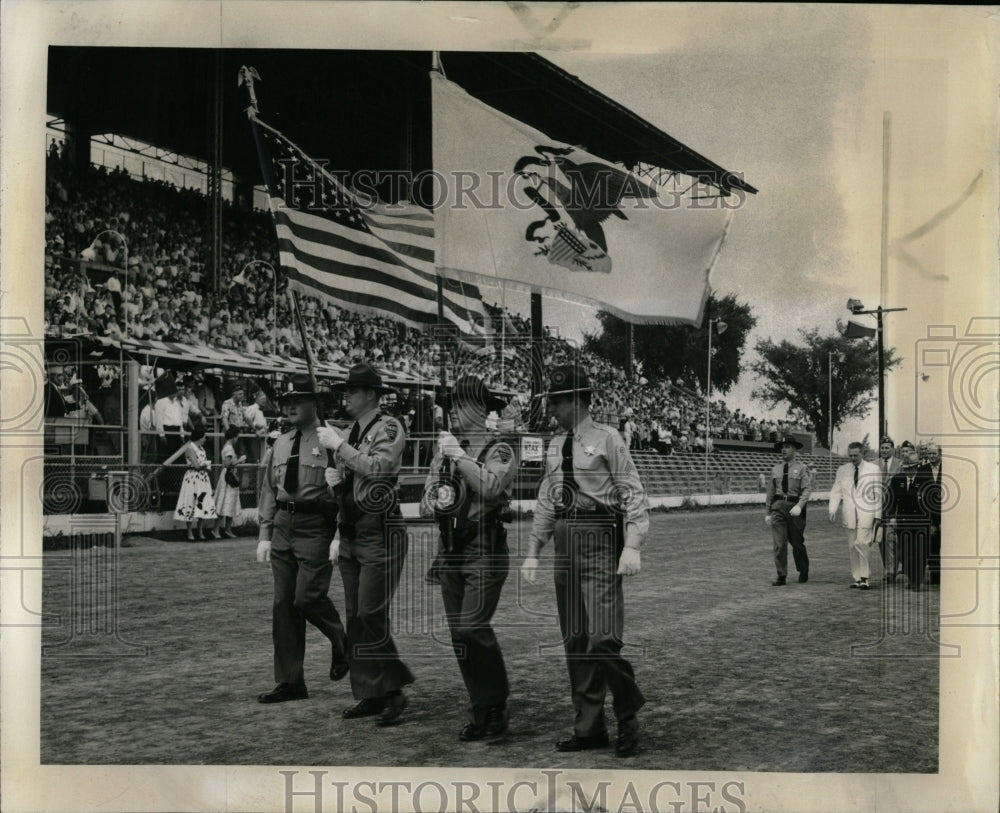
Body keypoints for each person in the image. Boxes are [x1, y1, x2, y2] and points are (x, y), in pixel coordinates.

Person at [522, 364, 648, 758]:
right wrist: (533, 551)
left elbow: (633, 492)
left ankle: (627, 714)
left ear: (577, 400)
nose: (553, 409)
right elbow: (547, 500)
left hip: (600, 537)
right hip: (565, 539)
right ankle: (589, 726)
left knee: (603, 639)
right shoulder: (556, 445)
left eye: (558, 401)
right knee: (575, 639)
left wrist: (633, 544)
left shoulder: (608, 439)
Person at [419, 375, 516, 741]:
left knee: (473, 626)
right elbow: (429, 492)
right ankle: (482, 708)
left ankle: (495, 703)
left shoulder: (499, 448)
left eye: (462, 404)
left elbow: (491, 486)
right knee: (460, 634)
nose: (454, 411)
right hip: (450, 548)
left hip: (483, 547)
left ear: (480, 408)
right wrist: (434, 499)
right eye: (452, 403)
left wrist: (459, 458)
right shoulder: (445, 446)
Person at [317, 363, 413, 726]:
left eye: (352, 391)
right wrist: (336, 478)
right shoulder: (352, 432)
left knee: (370, 613)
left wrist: (340, 448)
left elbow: (379, 467)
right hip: (353, 530)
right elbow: (352, 481)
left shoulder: (388, 427)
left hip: (380, 530)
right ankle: (370, 692)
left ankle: (393, 689)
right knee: (357, 617)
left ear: (370, 394)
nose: (346, 397)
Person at [256, 376, 349, 704]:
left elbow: (345, 491)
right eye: (286, 401)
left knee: (307, 597)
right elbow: (269, 487)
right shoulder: (280, 442)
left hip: (315, 524)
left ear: (315, 403)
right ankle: (290, 681)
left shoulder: (333, 439)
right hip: (283, 523)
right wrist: (264, 534)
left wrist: (340, 532)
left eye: (298, 399)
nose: (290, 406)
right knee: (283, 605)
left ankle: (341, 640)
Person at [828, 441, 882, 590]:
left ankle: (865, 577)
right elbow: (836, 491)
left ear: (863, 453)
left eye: (856, 455)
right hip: (849, 512)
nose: (852, 458)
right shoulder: (842, 470)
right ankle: (857, 578)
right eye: (850, 455)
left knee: (863, 544)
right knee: (852, 546)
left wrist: (878, 516)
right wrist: (832, 509)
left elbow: (878, 494)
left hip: (867, 512)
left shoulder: (873, 469)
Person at [765, 435, 813, 586]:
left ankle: (803, 569)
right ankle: (781, 575)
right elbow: (770, 492)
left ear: (795, 450)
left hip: (794, 508)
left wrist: (800, 505)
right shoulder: (776, 469)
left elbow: (806, 489)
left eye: (787, 447)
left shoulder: (802, 468)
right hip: (778, 507)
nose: (784, 450)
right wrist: (767, 512)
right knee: (779, 544)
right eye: (782, 447)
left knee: (797, 543)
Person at [887, 449, 931, 591]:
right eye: (905, 468)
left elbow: (932, 504)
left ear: (916, 466)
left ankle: (916, 581)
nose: (908, 471)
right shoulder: (897, 479)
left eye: (911, 468)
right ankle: (911, 577)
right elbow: (891, 501)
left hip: (920, 522)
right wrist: (892, 517)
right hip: (903, 521)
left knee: (919, 551)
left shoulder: (926, 480)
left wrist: (933, 523)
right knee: (906, 552)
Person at [173, 426, 218, 540]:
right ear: (199, 437)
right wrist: (204, 465)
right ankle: (189, 532)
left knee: (202, 502)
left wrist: (206, 467)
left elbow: (203, 465)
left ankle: (200, 531)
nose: (204, 439)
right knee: (190, 502)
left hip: (202, 478)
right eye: (203, 437)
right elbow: (196, 465)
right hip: (192, 478)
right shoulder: (190, 448)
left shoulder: (202, 449)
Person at [877, 436, 902, 580]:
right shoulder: (873, 464)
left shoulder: (900, 464)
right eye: (882, 448)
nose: (884, 450)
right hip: (878, 507)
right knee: (881, 539)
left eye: (887, 448)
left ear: (892, 449)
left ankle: (892, 569)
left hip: (895, 506)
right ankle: (889, 568)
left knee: (892, 537)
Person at [213, 426, 245, 538]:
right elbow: (226, 464)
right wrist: (239, 460)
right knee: (223, 502)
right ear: (234, 436)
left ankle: (227, 529)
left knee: (230, 502)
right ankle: (215, 529)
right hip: (228, 476)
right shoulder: (228, 448)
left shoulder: (229, 447)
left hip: (231, 476)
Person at [921, 444, 943, 587]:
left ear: (940, 453)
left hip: (947, 513)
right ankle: (935, 578)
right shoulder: (922, 470)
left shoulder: (949, 468)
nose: (932, 456)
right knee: (933, 546)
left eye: (934, 453)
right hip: (930, 514)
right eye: (929, 453)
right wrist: (931, 522)